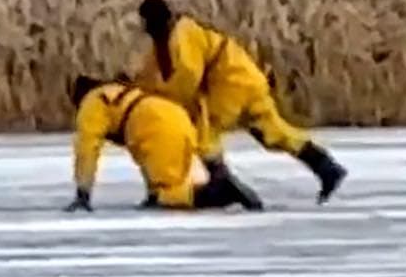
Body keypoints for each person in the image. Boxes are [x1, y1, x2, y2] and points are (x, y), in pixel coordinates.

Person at [127, 0, 347, 204]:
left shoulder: (181, 39)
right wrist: (138, 88)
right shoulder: (170, 37)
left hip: (231, 84)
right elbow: (154, 73)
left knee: (206, 129)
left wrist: (159, 100)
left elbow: (186, 80)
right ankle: (325, 166)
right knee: (272, 132)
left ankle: (220, 182)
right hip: (246, 79)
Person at [65, 74, 264, 213]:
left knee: (169, 194)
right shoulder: (117, 92)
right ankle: (211, 186)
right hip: (174, 115)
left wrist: (83, 193)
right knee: (167, 182)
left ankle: (222, 191)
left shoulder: (91, 104)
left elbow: (87, 148)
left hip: (156, 128)